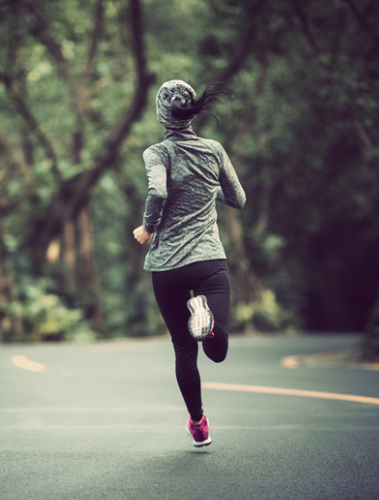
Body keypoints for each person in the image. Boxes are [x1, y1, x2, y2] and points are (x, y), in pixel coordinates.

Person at [133, 79, 246, 447]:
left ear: (162, 115)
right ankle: (208, 323)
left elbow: (159, 190)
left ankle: (198, 424)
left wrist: (148, 227)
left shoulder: (156, 153)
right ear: (191, 112)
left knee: (184, 349)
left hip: (167, 268)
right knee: (217, 351)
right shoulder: (213, 150)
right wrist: (205, 186)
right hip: (208, 261)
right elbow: (238, 199)